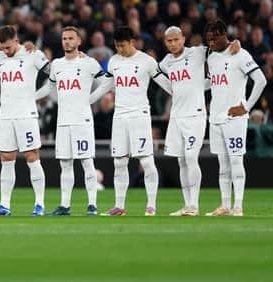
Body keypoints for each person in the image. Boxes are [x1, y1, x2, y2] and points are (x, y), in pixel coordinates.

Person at [89, 26, 172, 216]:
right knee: (119, 162)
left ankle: (151, 205)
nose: (120, 49)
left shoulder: (147, 61)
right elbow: (105, 86)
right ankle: (119, 206)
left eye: (123, 45)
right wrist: (86, 100)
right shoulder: (114, 61)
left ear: (132, 42)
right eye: (117, 46)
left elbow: (165, 83)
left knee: (147, 160)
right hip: (120, 116)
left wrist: (182, 97)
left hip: (139, 116)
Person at [160, 26, 239, 217]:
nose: (173, 44)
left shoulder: (197, 52)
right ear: (165, 43)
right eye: (169, 41)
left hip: (195, 115)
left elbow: (220, 46)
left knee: (190, 157)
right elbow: (169, 84)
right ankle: (187, 205)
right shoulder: (165, 63)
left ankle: (194, 205)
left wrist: (235, 43)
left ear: (183, 38)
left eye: (176, 40)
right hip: (177, 116)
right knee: (181, 161)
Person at [36, 26, 106, 216]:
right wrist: (30, 97)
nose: (67, 41)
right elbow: (49, 88)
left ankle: (92, 205)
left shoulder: (89, 63)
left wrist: (90, 99)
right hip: (63, 121)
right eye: (64, 38)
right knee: (65, 164)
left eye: (71, 38)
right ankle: (65, 206)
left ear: (79, 41)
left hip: (82, 120)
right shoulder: (57, 64)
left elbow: (107, 82)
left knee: (86, 161)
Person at [0, 26, 48, 216]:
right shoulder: (0, 58)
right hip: (6, 116)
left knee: (32, 157)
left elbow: (54, 73)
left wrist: (39, 94)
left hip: (26, 114)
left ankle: (40, 204)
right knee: (6, 159)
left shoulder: (32, 53)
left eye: (8, 47)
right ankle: (4, 205)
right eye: (2, 48)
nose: (6, 51)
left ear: (16, 41)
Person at [205, 20, 266, 216]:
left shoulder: (240, 54)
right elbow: (211, 84)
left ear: (224, 35)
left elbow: (261, 80)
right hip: (215, 117)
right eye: (208, 40)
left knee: (236, 161)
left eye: (214, 39)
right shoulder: (211, 58)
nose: (211, 43)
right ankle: (225, 205)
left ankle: (238, 206)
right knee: (222, 164)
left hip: (234, 118)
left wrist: (246, 106)